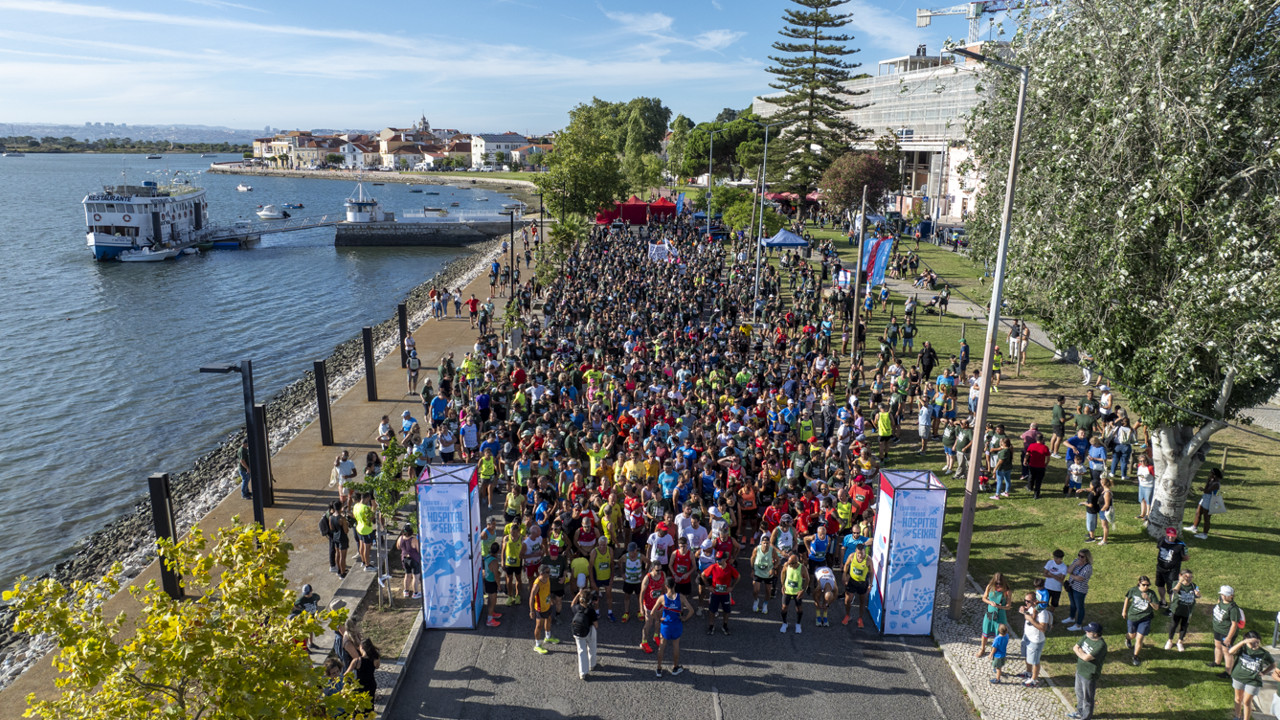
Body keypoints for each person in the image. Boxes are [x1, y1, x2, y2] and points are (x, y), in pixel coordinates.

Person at [1229, 631, 1280, 720]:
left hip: (1253, 680)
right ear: (1246, 641)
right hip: (1238, 677)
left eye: (1257, 642)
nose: (1255, 645)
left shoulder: (1264, 653)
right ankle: (1237, 716)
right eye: (1252, 642)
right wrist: (1242, 642)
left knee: (1246, 701)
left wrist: (1264, 672)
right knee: (1237, 698)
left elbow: (1273, 664)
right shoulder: (1243, 648)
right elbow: (1230, 651)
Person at [654, 576, 693, 678]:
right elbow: (691, 610)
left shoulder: (662, 598)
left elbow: (653, 612)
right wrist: (684, 618)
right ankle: (675, 668)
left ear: (665, 586)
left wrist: (659, 619)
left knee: (661, 647)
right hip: (676, 625)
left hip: (666, 626)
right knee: (676, 646)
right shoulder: (681, 597)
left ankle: (659, 669)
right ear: (675, 585)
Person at [1069, 622, 1107, 720]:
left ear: (1095, 633)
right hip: (1080, 670)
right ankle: (1080, 712)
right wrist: (1082, 653)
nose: (1086, 631)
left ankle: (1086, 717)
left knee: (1087, 698)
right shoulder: (1086, 637)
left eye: (1089, 630)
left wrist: (1080, 652)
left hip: (1089, 674)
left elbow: (1086, 658)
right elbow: (1075, 647)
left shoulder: (1101, 645)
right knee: (1079, 693)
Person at [1210, 585, 1244, 678]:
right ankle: (1217, 662)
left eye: (1225, 595)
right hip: (1218, 630)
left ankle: (1228, 672)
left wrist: (1229, 638)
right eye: (1222, 594)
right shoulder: (1221, 600)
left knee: (1227, 651)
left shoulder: (1233, 609)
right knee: (1217, 646)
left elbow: (1234, 625)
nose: (1223, 596)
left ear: (1231, 596)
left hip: (1226, 633)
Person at [1121, 575, 1156, 665]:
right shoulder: (1133, 590)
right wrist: (1124, 611)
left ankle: (1135, 657)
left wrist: (1148, 599)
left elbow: (1156, 607)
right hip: (1133, 617)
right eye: (1144, 585)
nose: (1146, 587)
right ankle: (1128, 639)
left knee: (1139, 638)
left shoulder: (1151, 594)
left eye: (1148, 585)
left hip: (1145, 618)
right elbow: (1127, 598)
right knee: (1132, 635)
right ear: (1139, 583)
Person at [701, 551, 739, 636]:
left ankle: (725, 625)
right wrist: (708, 586)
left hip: (725, 594)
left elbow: (738, 576)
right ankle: (711, 626)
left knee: (726, 610)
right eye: (717, 559)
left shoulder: (729, 568)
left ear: (725, 559)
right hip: (715, 593)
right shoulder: (713, 567)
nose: (718, 561)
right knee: (712, 610)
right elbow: (703, 575)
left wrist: (732, 587)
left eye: (719, 559)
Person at [1019, 591, 1052, 687]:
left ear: (1035, 601)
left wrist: (1031, 619)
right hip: (1027, 637)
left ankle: (1034, 679)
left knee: (1035, 661)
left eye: (1028, 601)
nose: (1026, 603)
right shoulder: (1030, 608)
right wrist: (1023, 610)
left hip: (1035, 640)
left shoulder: (1043, 613)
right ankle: (1028, 673)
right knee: (1027, 657)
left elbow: (1043, 628)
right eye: (1025, 600)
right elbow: (1027, 614)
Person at [1154, 527, 1189, 613]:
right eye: (1169, 536)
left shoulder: (1181, 545)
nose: (1170, 538)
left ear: (1176, 535)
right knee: (1160, 585)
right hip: (1160, 568)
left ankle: (1172, 607)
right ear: (1166, 534)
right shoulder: (1161, 540)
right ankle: (1163, 602)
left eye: (1172, 536)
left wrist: (1176, 561)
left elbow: (1186, 557)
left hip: (1172, 571)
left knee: (1171, 590)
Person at [977, 572, 1011, 658]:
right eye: (996, 583)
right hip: (990, 613)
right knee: (985, 632)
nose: (998, 585)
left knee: (998, 635)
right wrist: (990, 602)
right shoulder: (990, 587)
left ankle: (993, 651)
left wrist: (1001, 607)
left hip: (1000, 615)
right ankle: (982, 649)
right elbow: (984, 598)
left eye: (1000, 584)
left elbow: (1008, 606)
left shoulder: (1007, 591)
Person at [1165, 569, 1199, 652]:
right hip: (1177, 609)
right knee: (1173, 625)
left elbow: (1198, 594)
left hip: (1187, 611)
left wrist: (1198, 594)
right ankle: (1170, 640)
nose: (1189, 578)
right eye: (1186, 576)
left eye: (1191, 577)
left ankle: (1180, 641)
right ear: (1181, 576)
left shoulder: (1194, 586)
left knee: (1184, 626)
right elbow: (1175, 591)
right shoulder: (1176, 583)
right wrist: (1180, 582)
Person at [1183, 467, 1222, 540]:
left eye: (1211, 473)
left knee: (1206, 517)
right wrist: (1208, 481)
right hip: (1205, 497)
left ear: (1214, 474)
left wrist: (1203, 489)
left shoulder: (1216, 483)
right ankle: (1194, 527)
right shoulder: (1211, 480)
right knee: (1198, 512)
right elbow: (1206, 488)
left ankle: (1205, 534)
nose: (1209, 474)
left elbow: (1207, 490)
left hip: (1210, 499)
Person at [570, 588, 599, 680]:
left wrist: (578, 594)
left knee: (581, 650)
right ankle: (592, 664)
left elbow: (572, 604)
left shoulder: (577, 608)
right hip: (589, 630)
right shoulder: (591, 611)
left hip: (577, 631)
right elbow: (596, 625)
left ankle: (582, 672)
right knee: (592, 646)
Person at [529, 564, 559, 655]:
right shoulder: (537, 584)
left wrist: (550, 600)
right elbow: (531, 597)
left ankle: (548, 636)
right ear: (542, 573)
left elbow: (547, 591)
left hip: (547, 605)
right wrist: (531, 611)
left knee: (549, 619)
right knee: (539, 626)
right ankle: (537, 645)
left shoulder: (547, 578)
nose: (549, 574)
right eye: (547, 572)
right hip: (540, 608)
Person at [346, 638, 381, 714]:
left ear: (362, 648)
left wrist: (349, 681)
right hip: (371, 684)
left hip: (360, 687)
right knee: (369, 708)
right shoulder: (376, 658)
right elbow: (377, 666)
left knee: (357, 710)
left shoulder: (357, 661)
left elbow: (346, 674)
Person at [842, 540, 870, 627]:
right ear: (855, 551)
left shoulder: (868, 559)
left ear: (864, 551)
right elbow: (846, 565)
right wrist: (844, 575)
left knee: (862, 601)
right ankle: (848, 615)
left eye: (861, 553)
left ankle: (860, 618)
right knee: (847, 600)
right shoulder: (851, 556)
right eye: (858, 553)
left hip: (862, 583)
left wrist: (870, 584)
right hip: (852, 581)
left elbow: (872, 572)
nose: (860, 555)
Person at [779, 553, 808, 634]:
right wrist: (782, 585)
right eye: (788, 562)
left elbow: (807, 579)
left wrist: (803, 590)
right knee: (784, 608)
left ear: (796, 562)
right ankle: (784, 623)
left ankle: (798, 624)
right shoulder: (786, 565)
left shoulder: (802, 568)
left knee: (799, 608)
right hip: (787, 590)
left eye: (791, 563)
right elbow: (783, 573)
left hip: (797, 592)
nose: (789, 564)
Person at [1066, 549, 1094, 631]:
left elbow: (1080, 578)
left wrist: (1071, 575)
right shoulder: (1076, 561)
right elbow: (1068, 570)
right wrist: (1075, 564)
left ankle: (1078, 625)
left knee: (1080, 607)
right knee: (1072, 604)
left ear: (1086, 557)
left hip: (1080, 590)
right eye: (1079, 555)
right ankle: (1071, 617)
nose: (1079, 557)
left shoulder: (1088, 567)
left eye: (1082, 556)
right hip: (1071, 586)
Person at [1042, 549, 1068, 619]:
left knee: (1054, 603)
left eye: (1057, 558)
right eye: (1054, 557)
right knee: (1044, 602)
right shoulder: (1050, 563)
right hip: (1047, 586)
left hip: (1056, 589)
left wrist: (1051, 574)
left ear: (1061, 558)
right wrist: (1056, 576)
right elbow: (1044, 574)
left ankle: (1051, 615)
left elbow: (1061, 580)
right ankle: (1043, 615)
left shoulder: (1064, 567)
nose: (1055, 559)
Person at [397, 524, 421, 599]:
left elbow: (398, 547)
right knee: (415, 577)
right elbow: (419, 550)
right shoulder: (414, 540)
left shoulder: (400, 538)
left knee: (407, 575)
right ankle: (415, 593)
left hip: (404, 559)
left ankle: (406, 591)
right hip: (413, 560)